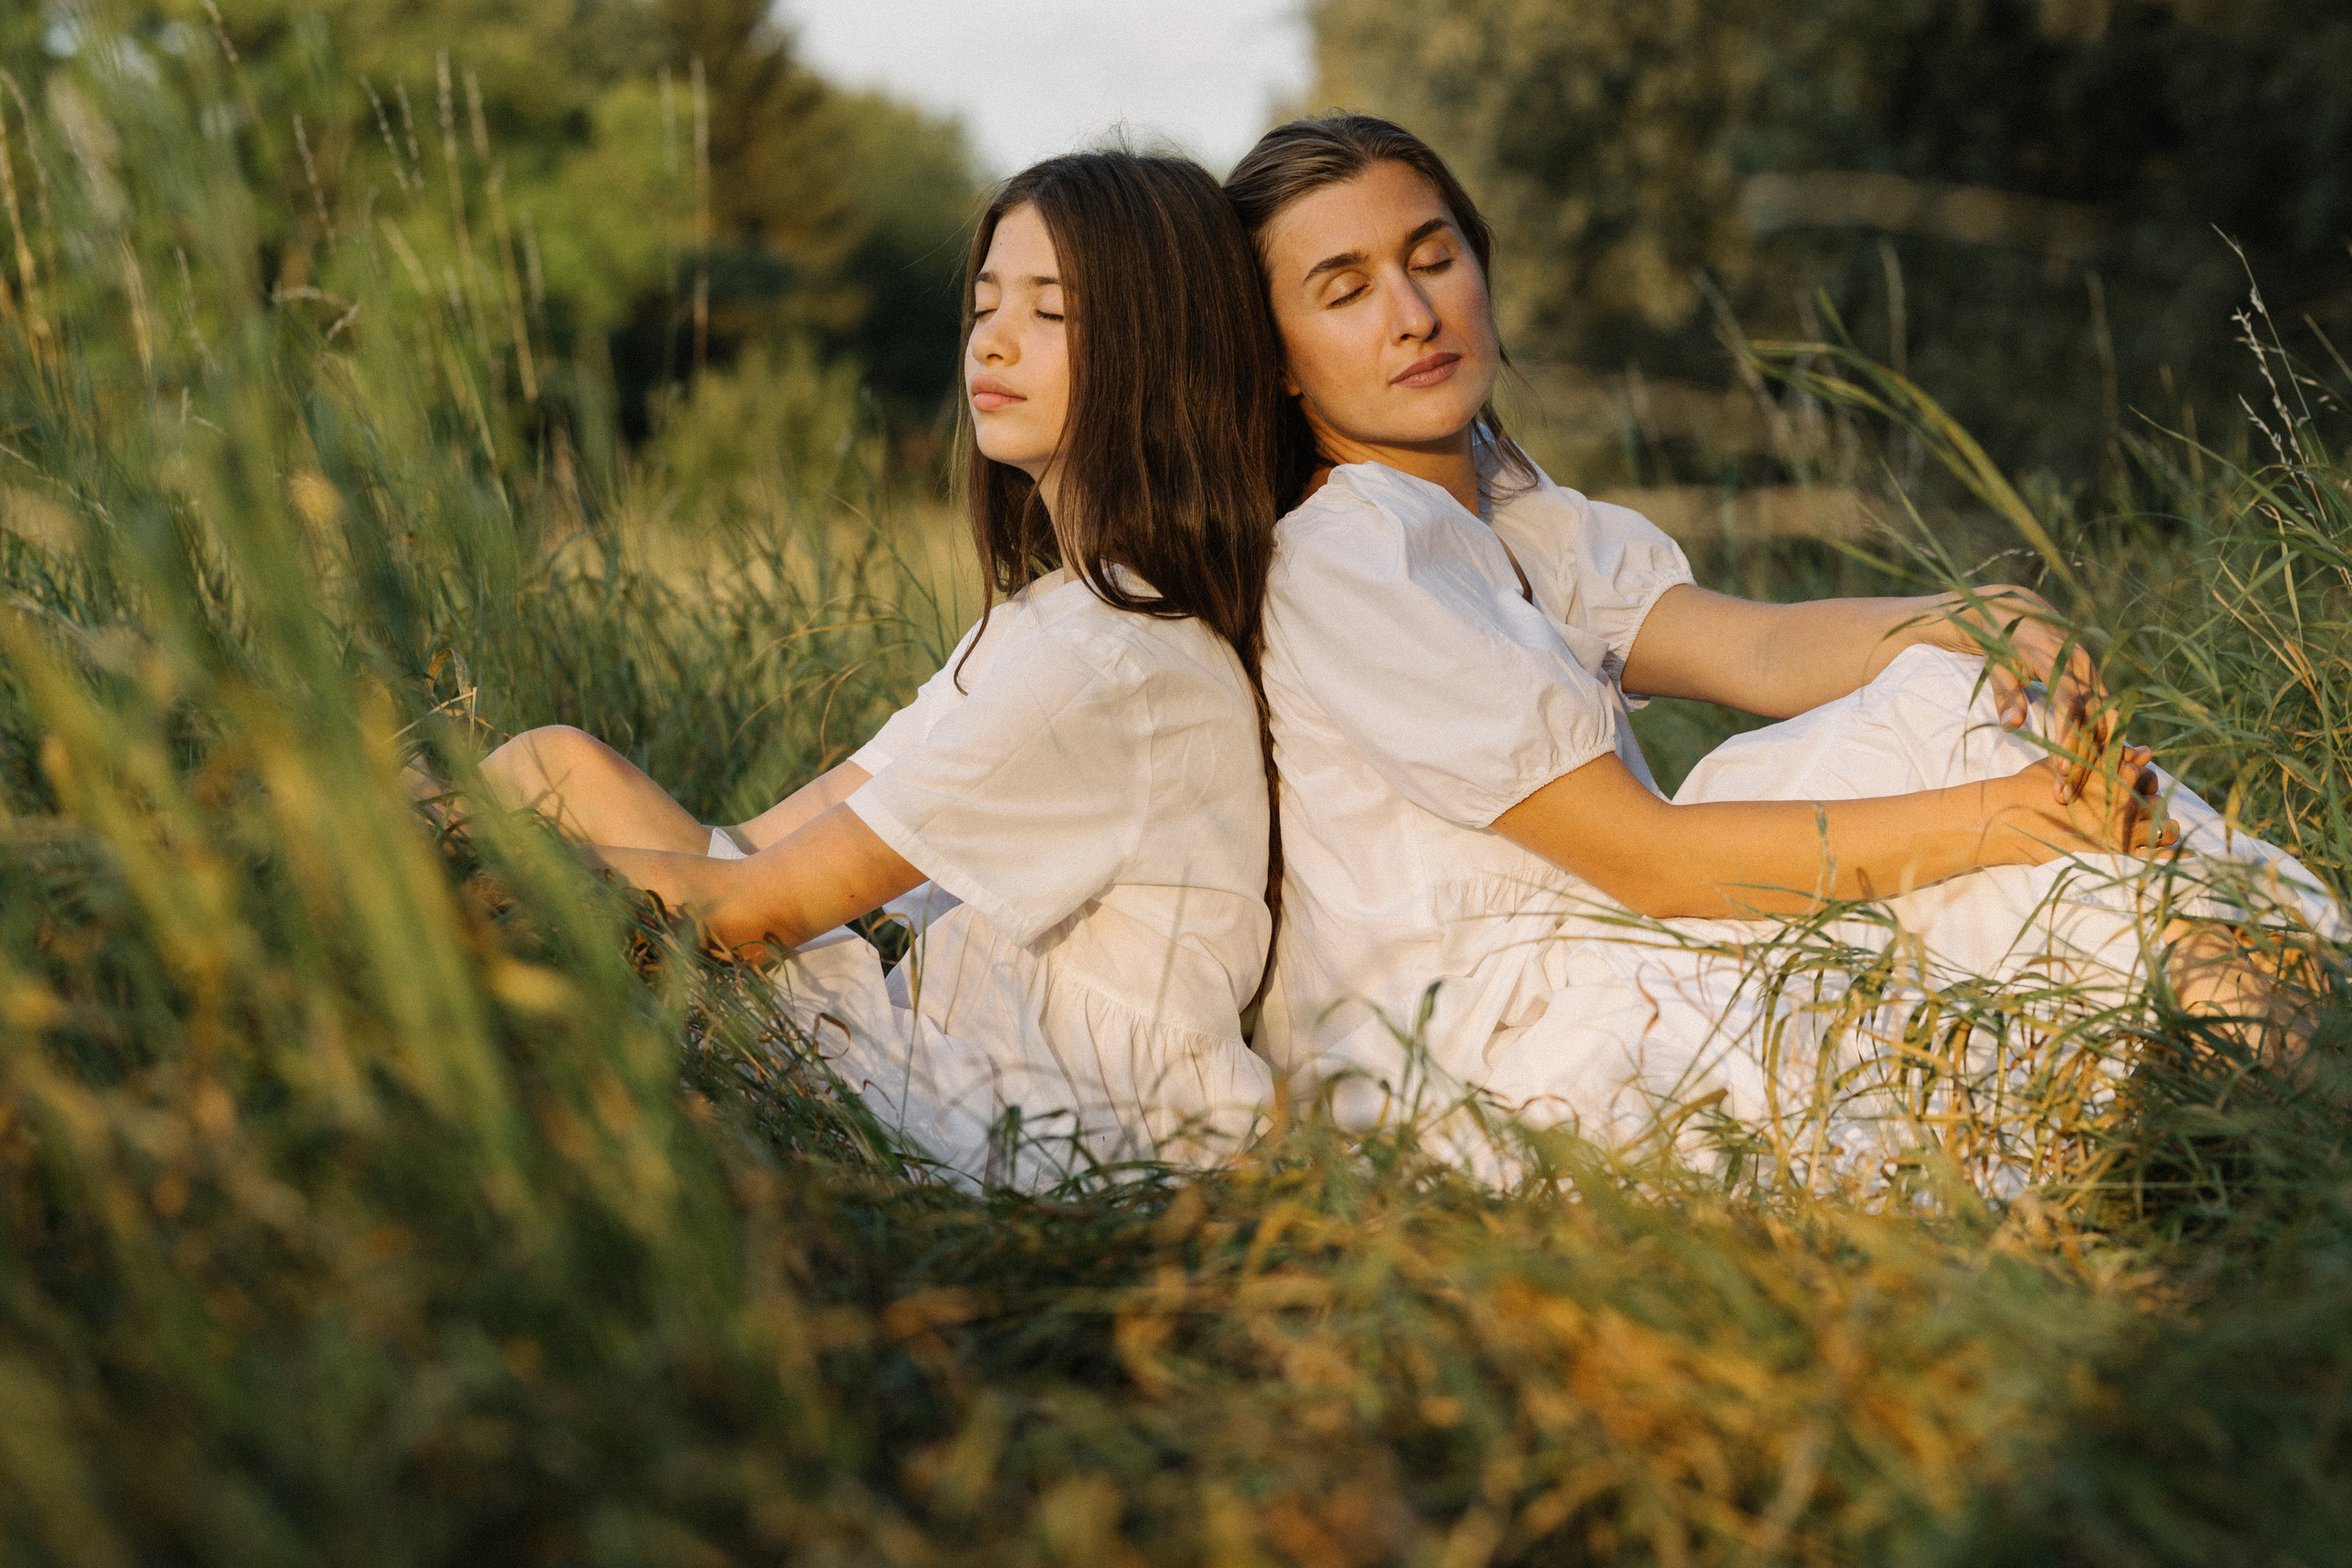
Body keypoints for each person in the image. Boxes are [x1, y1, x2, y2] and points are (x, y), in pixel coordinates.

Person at [1222, 114, 2341, 1184]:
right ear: (1275, 359)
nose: (1413, 313)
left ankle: (2263, 1024)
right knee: (1949, 780)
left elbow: (1754, 652)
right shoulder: (1349, 559)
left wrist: (1975, 611)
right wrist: (2004, 816)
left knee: (1947, 687)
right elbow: (1650, 861)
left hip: (1609, 954)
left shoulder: (1510, 513)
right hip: (1494, 1049)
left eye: (1432, 257)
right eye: (1347, 290)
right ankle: (2281, 1025)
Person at [434, 151, 1285, 1190]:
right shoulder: (1056, 618)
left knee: (481, 845)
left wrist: (456, 847)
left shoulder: (1111, 662)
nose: (993, 339)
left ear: (1163, 354)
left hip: (1041, 1132)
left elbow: (755, 908)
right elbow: (770, 839)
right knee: (555, 771)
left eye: (1052, 313)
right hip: (968, 1067)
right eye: (984, 303)